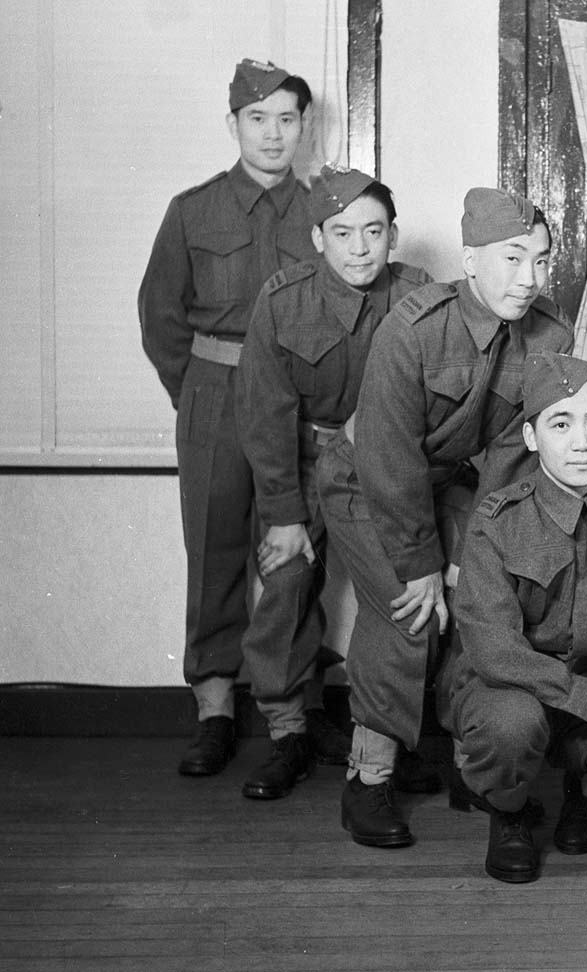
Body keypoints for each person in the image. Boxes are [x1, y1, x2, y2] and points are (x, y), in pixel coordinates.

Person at [316, 187, 573, 848]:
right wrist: (424, 564)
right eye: (512, 259)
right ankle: (367, 781)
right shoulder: (414, 327)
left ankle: (476, 769)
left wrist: (477, 553)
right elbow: (388, 457)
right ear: (469, 261)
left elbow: (514, 457)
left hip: (447, 486)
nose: (530, 278)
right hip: (364, 480)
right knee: (408, 612)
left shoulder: (551, 334)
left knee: (485, 601)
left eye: (541, 261)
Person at [139, 58, 330, 777]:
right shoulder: (193, 210)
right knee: (215, 553)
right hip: (214, 396)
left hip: (300, 405)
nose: (274, 134)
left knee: (294, 562)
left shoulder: (325, 212)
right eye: (258, 119)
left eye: (287, 119)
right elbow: (160, 318)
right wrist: (197, 397)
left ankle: (292, 716)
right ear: (233, 125)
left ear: (303, 127)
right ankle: (215, 709)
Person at [234, 165, 430, 800]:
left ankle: (396, 742)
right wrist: (287, 516)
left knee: (406, 591)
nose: (360, 248)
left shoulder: (419, 296)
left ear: (393, 236)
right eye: (342, 233)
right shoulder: (283, 299)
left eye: (374, 231)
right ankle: (288, 732)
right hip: (303, 459)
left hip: (386, 463)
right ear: (317, 238)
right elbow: (264, 415)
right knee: (288, 581)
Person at [440, 352, 587, 884]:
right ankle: (510, 812)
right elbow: (496, 653)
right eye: (560, 424)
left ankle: (585, 795)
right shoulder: (496, 524)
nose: (582, 442)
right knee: (511, 725)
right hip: (508, 687)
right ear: (532, 436)